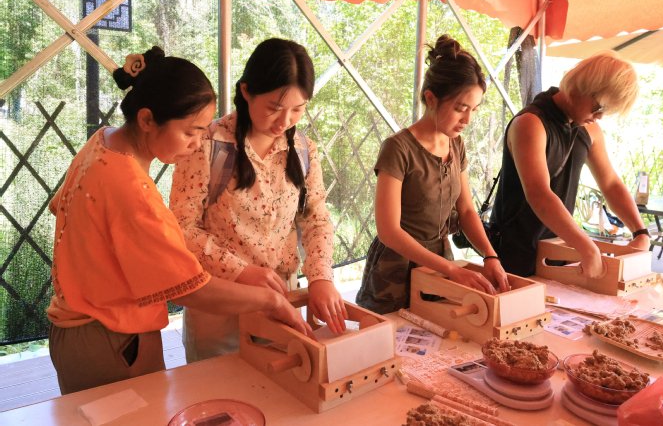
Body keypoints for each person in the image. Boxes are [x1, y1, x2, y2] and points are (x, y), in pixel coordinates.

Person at [47, 47, 311, 395]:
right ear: (146, 120)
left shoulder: (102, 143)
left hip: (75, 329)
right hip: (113, 337)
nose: (197, 143)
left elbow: (62, 209)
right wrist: (270, 300)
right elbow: (191, 289)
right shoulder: (131, 188)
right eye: (190, 132)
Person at [170, 38, 347, 363]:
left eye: (298, 109)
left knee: (281, 384)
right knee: (220, 389)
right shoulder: (208, 144)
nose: (284, 121)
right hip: (220, 305)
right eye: (274, 108)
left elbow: (316, 218)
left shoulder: (303, 149)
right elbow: (181, 228)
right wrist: (241, 271)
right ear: (247, 91)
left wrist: (321, 276)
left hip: (281, 299)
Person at [355, 35, 511, 315]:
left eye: (473, 110)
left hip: (439, 262)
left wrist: (490, 256)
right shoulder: (398, 148)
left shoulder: (456, 145)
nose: (467, 119)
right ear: (431, 99)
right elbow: (389, 231)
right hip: (395, 268)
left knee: (442, 329)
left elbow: (466, 210)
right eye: (460, 108)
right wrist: (451, 269)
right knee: (395, 335)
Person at [489, 51, 651, 278]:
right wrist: (587, 247)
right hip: (515, 254)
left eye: (606, 111)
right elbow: (539, 194)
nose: (600, 116)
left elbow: (610, 183)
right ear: (580, 88)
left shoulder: (589, 130)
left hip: (558, 249)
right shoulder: (531, 123)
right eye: (598, 107)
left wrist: (640, 231)